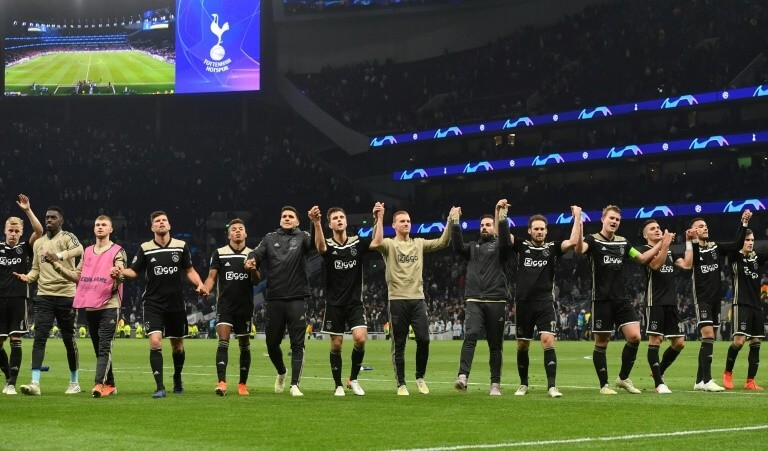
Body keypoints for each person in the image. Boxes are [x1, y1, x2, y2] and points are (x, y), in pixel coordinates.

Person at [112, 211, 206, 398]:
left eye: (164, 220)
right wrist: (121, 273)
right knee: (155, 342)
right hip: (153, 302)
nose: (161, 223)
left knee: (177, 346)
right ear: (152, 227)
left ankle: (177, 377)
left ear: (169, 225)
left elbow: (189, 270)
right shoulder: (145, 248)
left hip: (176, 303)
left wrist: (200, 284)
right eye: (157, 221)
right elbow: (134, 272)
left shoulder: (181, 246)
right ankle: (160, 386)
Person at [370, 202, 459, 395]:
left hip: (417, 299)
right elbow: (375, 243)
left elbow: (442, 242)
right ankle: (401, 383)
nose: (406, 223)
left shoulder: (418, 243)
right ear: (394, 225)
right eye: (402, 221)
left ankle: (420, 378)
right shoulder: (389, 244)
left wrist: (451, 220)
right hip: (397, 300)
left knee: (424, 340)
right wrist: (379, 218)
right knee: (399, 344)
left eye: (408, 221)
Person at [574, 205, 663, 394]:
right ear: (603, 219)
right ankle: (604, 385)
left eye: (617, 220)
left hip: (622, 299)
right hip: (602, 299)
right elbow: (580, 248)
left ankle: (623, 378)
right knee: (602, 342)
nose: (614, 222)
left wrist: (660, 245)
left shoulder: (623, 243)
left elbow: (641, 258)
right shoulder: (593, 240)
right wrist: (579, 222)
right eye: (611, 218)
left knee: (635, 337)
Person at [510, 206, 582, 398]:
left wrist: (577, 218)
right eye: (536, 229)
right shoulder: (521, 246)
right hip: (524, 303)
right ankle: (523, 384)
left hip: (544, 303)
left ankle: (552, 386)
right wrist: (499, 213)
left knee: (547, 341)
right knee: (522, 345)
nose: (540, 232)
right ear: (529, 230)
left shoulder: (552, 248)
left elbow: (574, 241)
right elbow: (503, 235)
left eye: (542, 229)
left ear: (546, 231)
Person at [53, 215, 126, 397]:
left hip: (110, 303)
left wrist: (117, 274)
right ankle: (111, 384)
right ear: (94, 229)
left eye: (104, 225)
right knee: (98, 347)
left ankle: (98, 383)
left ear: (110, 230)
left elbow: (122, 274)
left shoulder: (118, 251)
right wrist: (58, 267)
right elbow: (79, 276)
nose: (100, 227)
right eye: (97, 225)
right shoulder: (87, 251)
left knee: (104, 347)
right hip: (91, 306)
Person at [244, 206, 314, 397]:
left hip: (297, 298)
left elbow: (316, 244)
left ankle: (294, 385)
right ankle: (282, 372)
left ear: (297, 221)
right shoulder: (270, 238)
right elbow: (257, 253)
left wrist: (315, 223)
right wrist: (251, 260)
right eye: (284, 216)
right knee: (271, 344)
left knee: (297, 344)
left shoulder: (304, 237)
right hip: (274, 298)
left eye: (291, 216)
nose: (287, 218)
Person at [15, 206, 83, 396]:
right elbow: (36, 269)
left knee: (69, 339)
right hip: (44, 295)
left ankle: (74, 382)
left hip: (66, 294)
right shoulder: (38, 243)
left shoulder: (68, 237)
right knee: (39, 337)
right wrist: (27, 278)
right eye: (47, 217)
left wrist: (59, 256)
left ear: (61, 220)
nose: (49, 220)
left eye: (53, 217)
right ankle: (35, 382)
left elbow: (79, 249)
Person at [309, 205, 374, 396]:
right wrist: (316, 223)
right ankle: (338, 384)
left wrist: (379, 218)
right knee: (336, 344)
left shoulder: (357, 243)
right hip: (334, 303)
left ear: (346, 221)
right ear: (330, 224)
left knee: (360, 339)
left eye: (341, 217)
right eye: (335, 218)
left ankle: (353, 379)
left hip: (355, 302)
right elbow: (320, 247)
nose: (339, 220)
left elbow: (377, 242)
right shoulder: (328, 244)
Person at [451, 199, 514, 396]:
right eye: (482, 225)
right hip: (474, 300)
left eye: (488, 224)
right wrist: (454, 221)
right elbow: (457, 245)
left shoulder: (501, 247)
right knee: (470, 336)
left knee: (495, 345)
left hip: (496, 300)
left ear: (494, 227)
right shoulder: (472, 247)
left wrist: (502, 216)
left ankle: (495, 383)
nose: (484, 227)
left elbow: (504, 238)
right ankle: (463, 376)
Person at [690, 210, 750, 391]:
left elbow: (736, 244)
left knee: (710, 338)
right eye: (700, 226)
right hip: (702, 299)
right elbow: (688, 260)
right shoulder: (692, 249)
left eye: (705, 225)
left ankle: (699, 381)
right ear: (693, 231)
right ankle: (708, 380)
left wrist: (744, 223)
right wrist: (690, 241)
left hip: (716, 299)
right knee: (707, 335)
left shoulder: (715, 247)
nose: (705, 227)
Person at [202, 219, 257, 396]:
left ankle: (242, 384)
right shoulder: (219, 253)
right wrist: (206, 288)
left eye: (241, 229)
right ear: (229, 234)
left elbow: (257, 280)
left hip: (245, 307)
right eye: (234, 229)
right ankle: (222, 382)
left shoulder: (252, 253)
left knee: (244, 344)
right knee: (223, 341)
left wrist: (252, 270)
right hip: (225, 306)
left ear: (246, 233)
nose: (238, 231)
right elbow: (212, 276)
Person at [640, 219, 693, 394]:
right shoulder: (644, 251)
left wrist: (689, 242)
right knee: (656, 340)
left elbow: (687, 264)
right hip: (654, 301)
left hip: (671, 303)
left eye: (658, 228)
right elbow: (656, 265)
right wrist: (665, 244)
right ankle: (659, 383)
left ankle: (658, 370)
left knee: (679, 343)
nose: (657, 230)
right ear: (645, 235)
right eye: (652, 229)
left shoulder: (668, 250)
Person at [0, 195, 43, 395]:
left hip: (18, 299)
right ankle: (9, 375)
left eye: (17, 231)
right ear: (5, 231)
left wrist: (27, 210)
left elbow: (39, 231)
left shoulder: (24, 248)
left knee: (15, 339)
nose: (14, 234)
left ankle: (11, 383)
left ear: (21, 233)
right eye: (11, 230)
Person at [723, 226, 765, 390]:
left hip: (756, 306)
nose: (750, 243)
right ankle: (727, 373)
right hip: (741, 304)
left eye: (752, 240)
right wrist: (743, 225)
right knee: (739, 342)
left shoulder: (756, 258)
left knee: (755, 342)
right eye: (747, 240)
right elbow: (735, 245)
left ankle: (750, 381)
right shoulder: (734, 256)